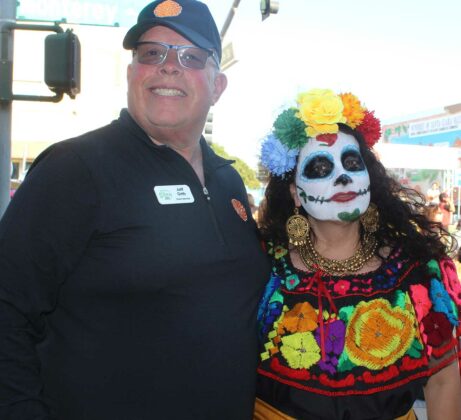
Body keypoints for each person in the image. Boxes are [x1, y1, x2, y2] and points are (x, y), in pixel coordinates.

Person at [0, 1, 270, 419]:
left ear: (217, 87)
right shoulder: (76, 168)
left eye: (191, 57)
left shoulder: (227, 180)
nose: (168, 66)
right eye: (152, 53)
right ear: (131, 74)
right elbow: (7, 309)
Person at [255, 89, 461, 420]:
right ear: (296, 192)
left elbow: (442, 380)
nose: (343, 177)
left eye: (352, 163)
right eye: (320, 167)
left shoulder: (415, 271)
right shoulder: (262, 266)